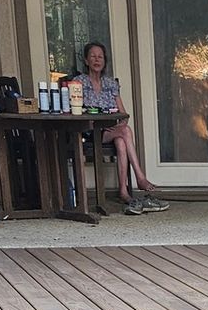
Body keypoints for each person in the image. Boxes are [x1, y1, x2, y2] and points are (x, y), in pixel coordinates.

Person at [70, 42, 167, 215]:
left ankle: (123, 191)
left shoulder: (110, 84)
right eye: (92, 56)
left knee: (122, 139)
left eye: (100, 56)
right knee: (125, 132)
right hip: (88, 132)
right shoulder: (79, 82)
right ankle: (140, 177)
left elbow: (124, 114)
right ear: (86, 60)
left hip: (109, 132)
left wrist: (119, 124)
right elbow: (74, 109)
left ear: (105, 61)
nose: (97, 59)